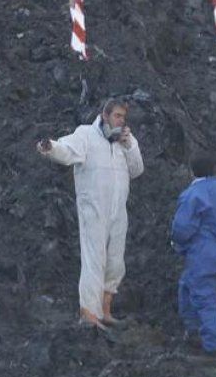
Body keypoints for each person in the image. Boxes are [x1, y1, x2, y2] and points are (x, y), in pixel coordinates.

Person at [37, 98, 145, 331]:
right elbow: (67, 149)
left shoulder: (124, 140)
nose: (121, 121)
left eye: (123, 117)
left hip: (118, 209)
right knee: (94, 260)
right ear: (104, 115)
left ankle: (105, 310)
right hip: (94, 209)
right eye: (117, 116)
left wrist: (130, 147)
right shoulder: (86, 134)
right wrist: (50, 147)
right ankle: (89, 313)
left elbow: (137, 170)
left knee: (115, 262)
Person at [170, 152, 216, 358]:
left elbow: (182, 228)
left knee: (204, 298)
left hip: (203, 255)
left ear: (192, 171)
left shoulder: (193, 195)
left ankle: (214, 347)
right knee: (186, 286)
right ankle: (192, 331)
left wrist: (177, 242)